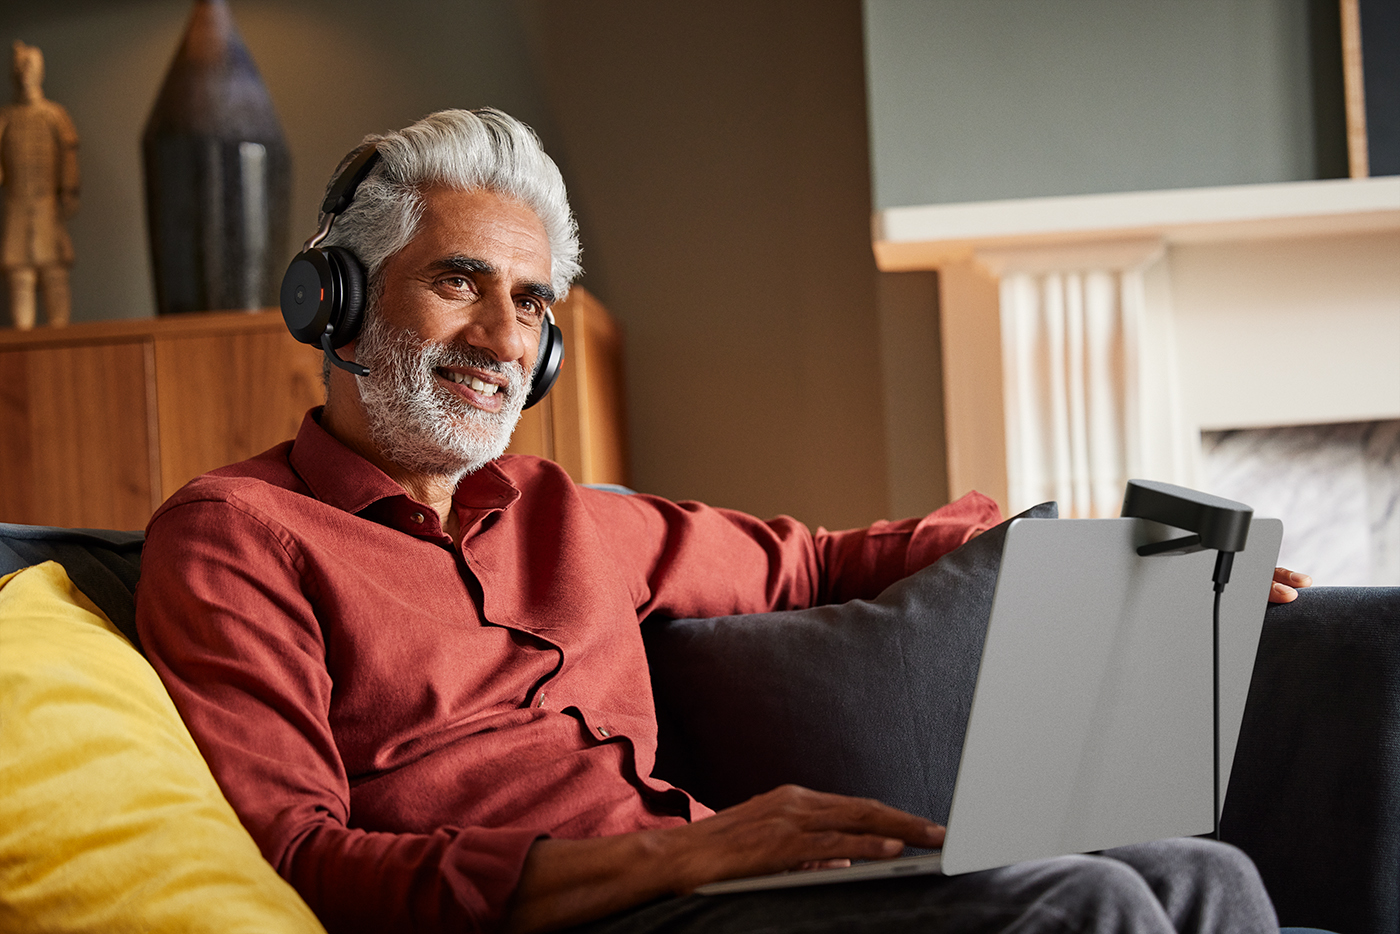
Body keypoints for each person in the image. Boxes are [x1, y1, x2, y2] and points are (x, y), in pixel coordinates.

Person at [136, 108, 1308, 934]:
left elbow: (817, 559)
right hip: (590, 914)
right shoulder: (238, 533)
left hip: (712, 889)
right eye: (459, 282)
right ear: (332, 299)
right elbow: (296, 862)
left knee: (1196, 875)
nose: (502, 341)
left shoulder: (567, 513)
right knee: (1087, 905)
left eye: (530, 301)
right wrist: (679, 850)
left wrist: (1106, 556)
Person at [0, 40, 79, 330]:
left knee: (53, 270)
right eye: (20, 66)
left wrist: (69, 190)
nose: (24, 72)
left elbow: (68, 153)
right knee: (20, 273)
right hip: (17, 203)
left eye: (30, 66)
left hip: (46, 204)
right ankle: (24, 334)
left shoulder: (53, 115)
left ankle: (58, 332)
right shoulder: (6, 118)